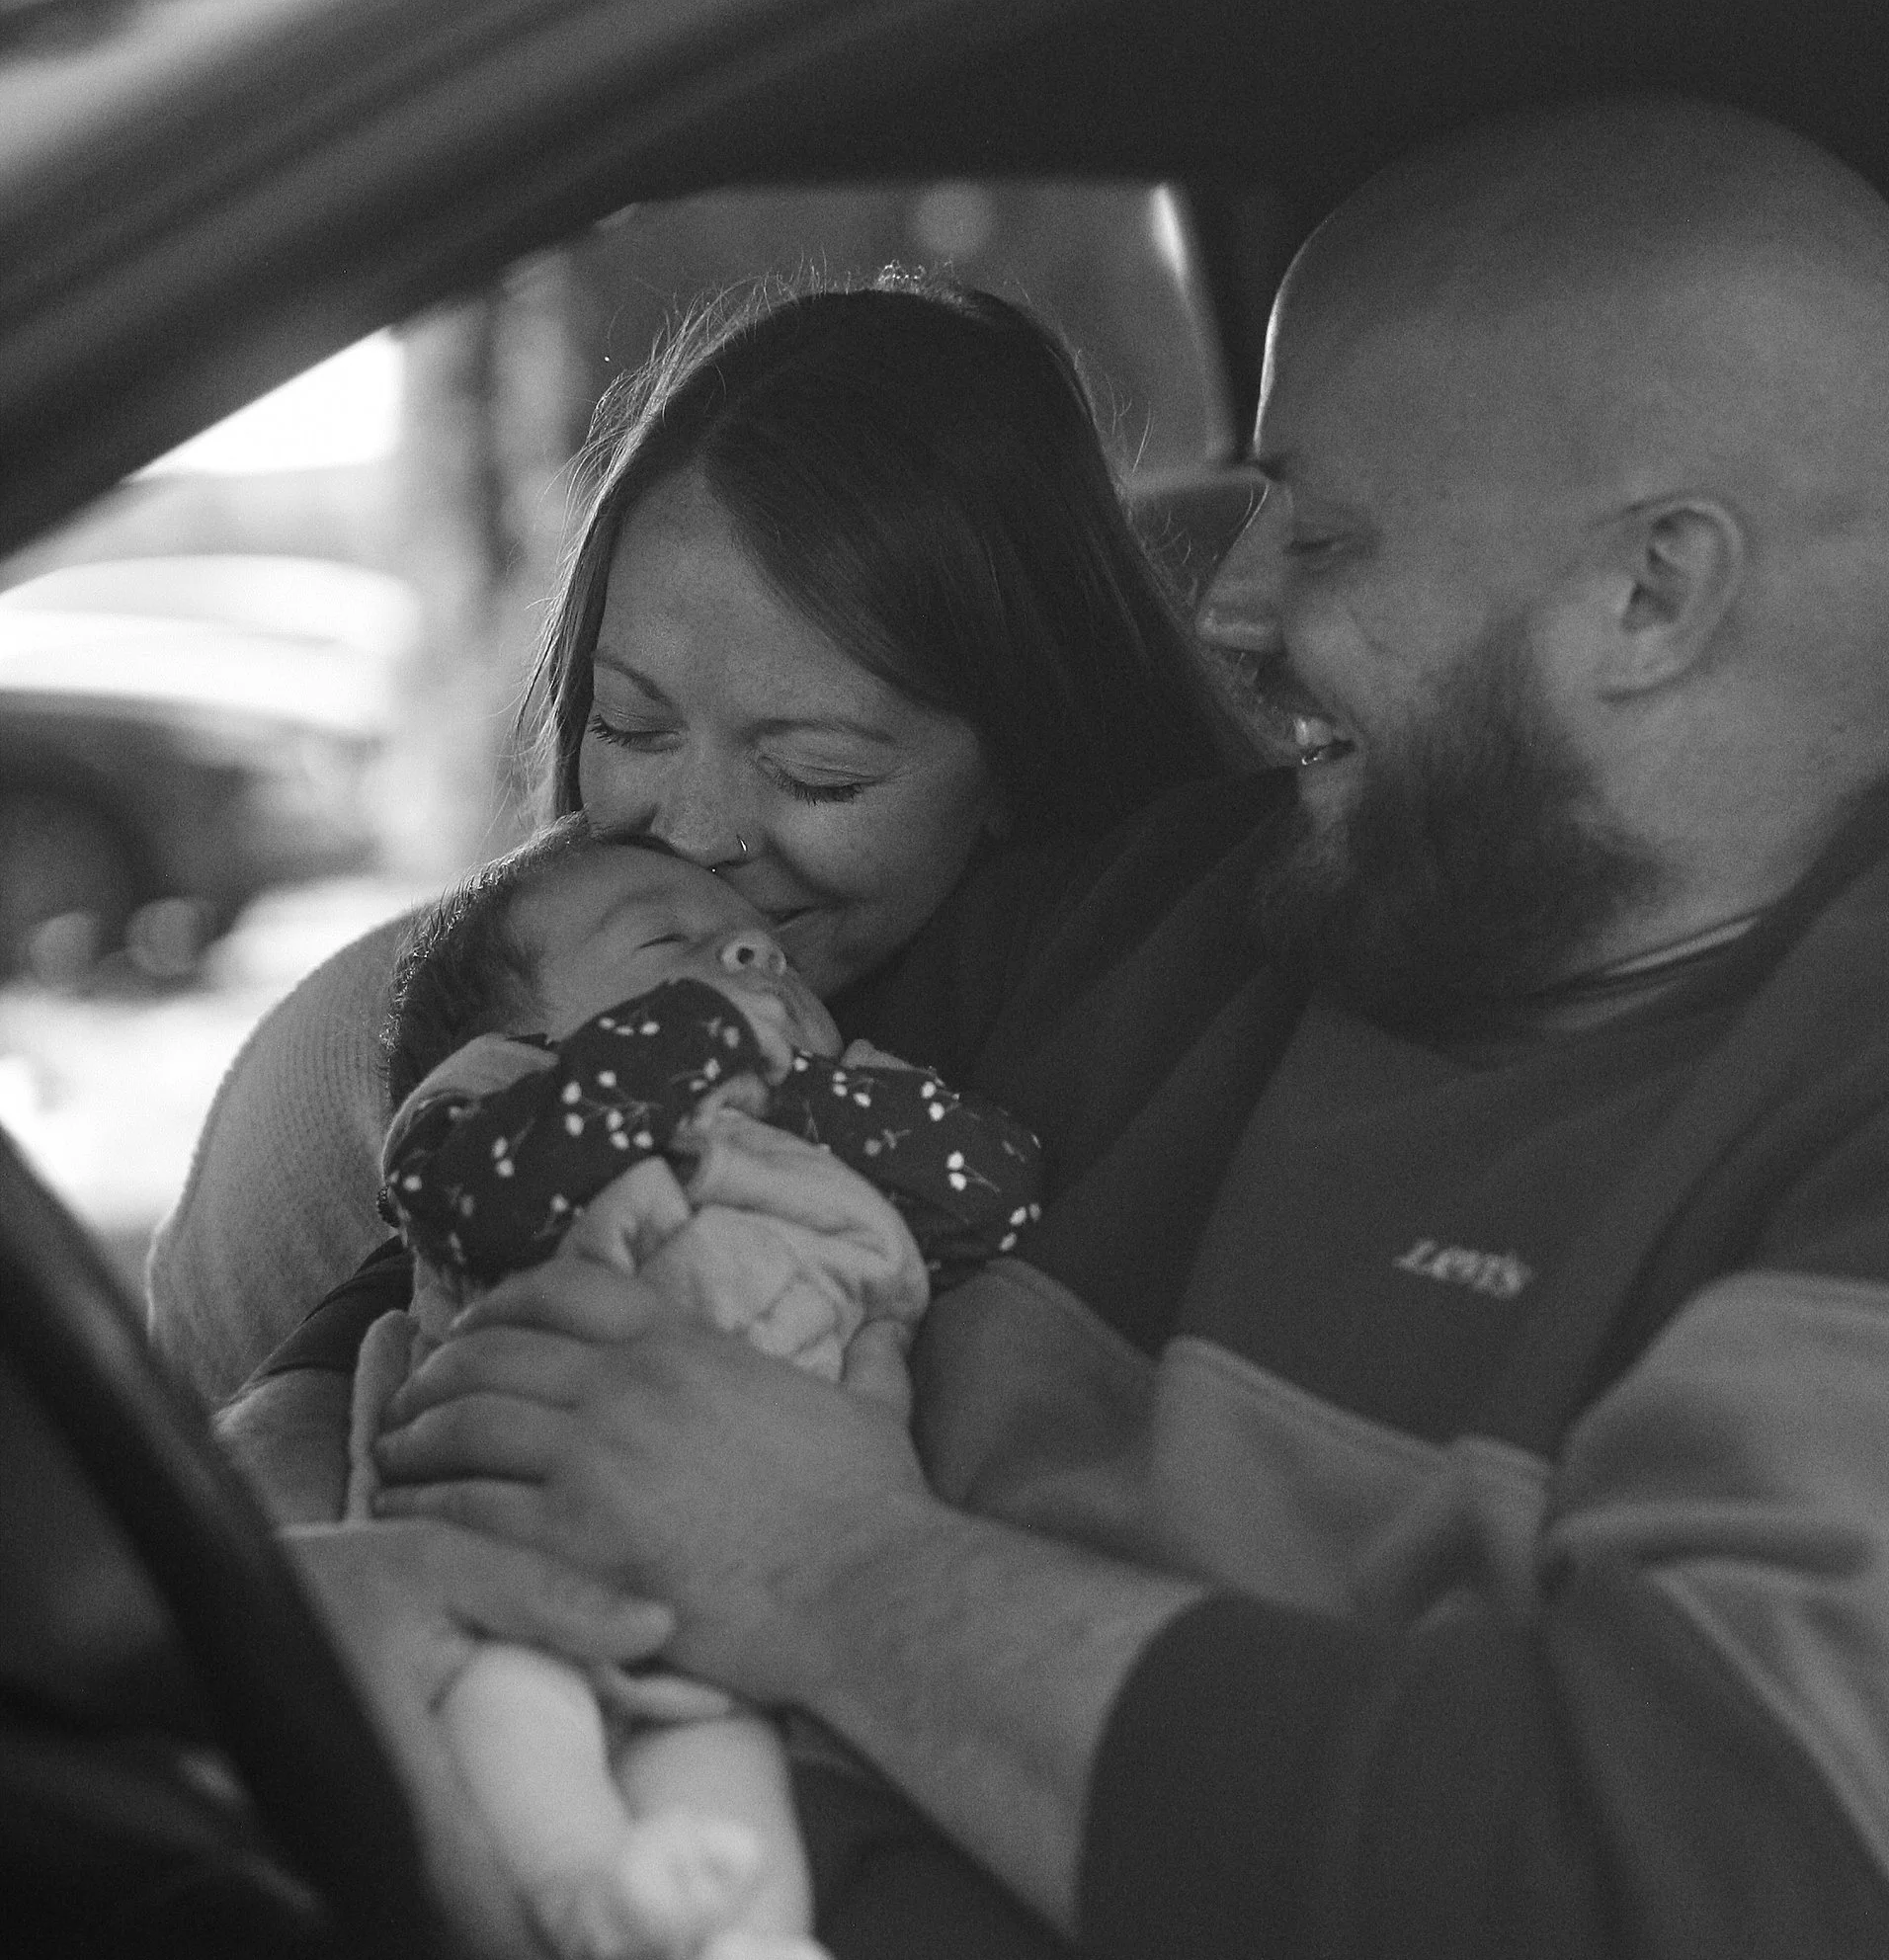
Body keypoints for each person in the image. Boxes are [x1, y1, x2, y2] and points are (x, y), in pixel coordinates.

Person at [308, 99, 1889, 1960]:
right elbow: (474, 1235)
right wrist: (324, 1558)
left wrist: (834, 1575)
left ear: (1650, 593)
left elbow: (1658, 1939)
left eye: (1319, 526)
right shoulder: (1179, 918)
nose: (1222, 607)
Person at [159, 276, 1247, 1521]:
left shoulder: (1137, 975)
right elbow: (384, 1300)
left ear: (1025, 754)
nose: (692, 832)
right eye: (628, 723)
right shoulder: (526, 985)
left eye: (813, 773)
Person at [347, 825, 1045, 1960]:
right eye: (667, 941)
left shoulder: (838, 1134)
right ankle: (580, 1906)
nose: (745, 954)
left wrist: (812, 1086)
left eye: (768, 952)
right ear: (517, 1022)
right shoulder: (500, 1099)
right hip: (513, 1558)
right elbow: (488, 1195)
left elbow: (995, 1191)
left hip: (742, 1614)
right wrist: (705, 1034)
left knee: (731, 1811)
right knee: (513, 1727)